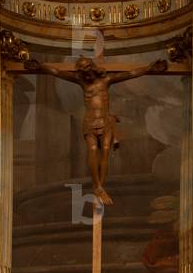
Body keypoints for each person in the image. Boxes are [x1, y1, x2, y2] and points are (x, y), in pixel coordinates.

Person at [26, 56, 167, 204]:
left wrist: (149, 68)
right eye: (81, 71)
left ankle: (100, 186)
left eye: (86, 68)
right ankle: (98, 187)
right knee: (93, 150)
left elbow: (130, 74)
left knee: (105, 150)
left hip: (105, 121)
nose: (85, 73)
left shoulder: (105, 81)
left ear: (92, 67)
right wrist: (41, 66)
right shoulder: (81, 82)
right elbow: (57, 72)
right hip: (90, 122)